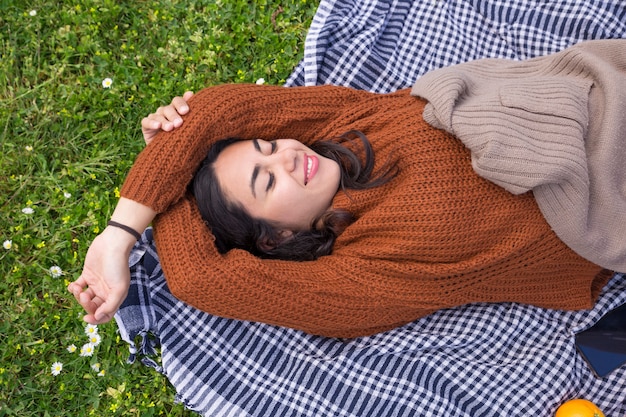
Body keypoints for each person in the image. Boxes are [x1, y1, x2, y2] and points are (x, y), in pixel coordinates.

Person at [69, 41, 625, 338]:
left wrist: (156, 174)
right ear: (276, 236)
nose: (286, 156)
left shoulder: (345, 126)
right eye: (266, 181)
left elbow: (213, 111)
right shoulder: (360, 273)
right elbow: (200, 279)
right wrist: (139, 222)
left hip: (595, 96)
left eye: (268, 147)